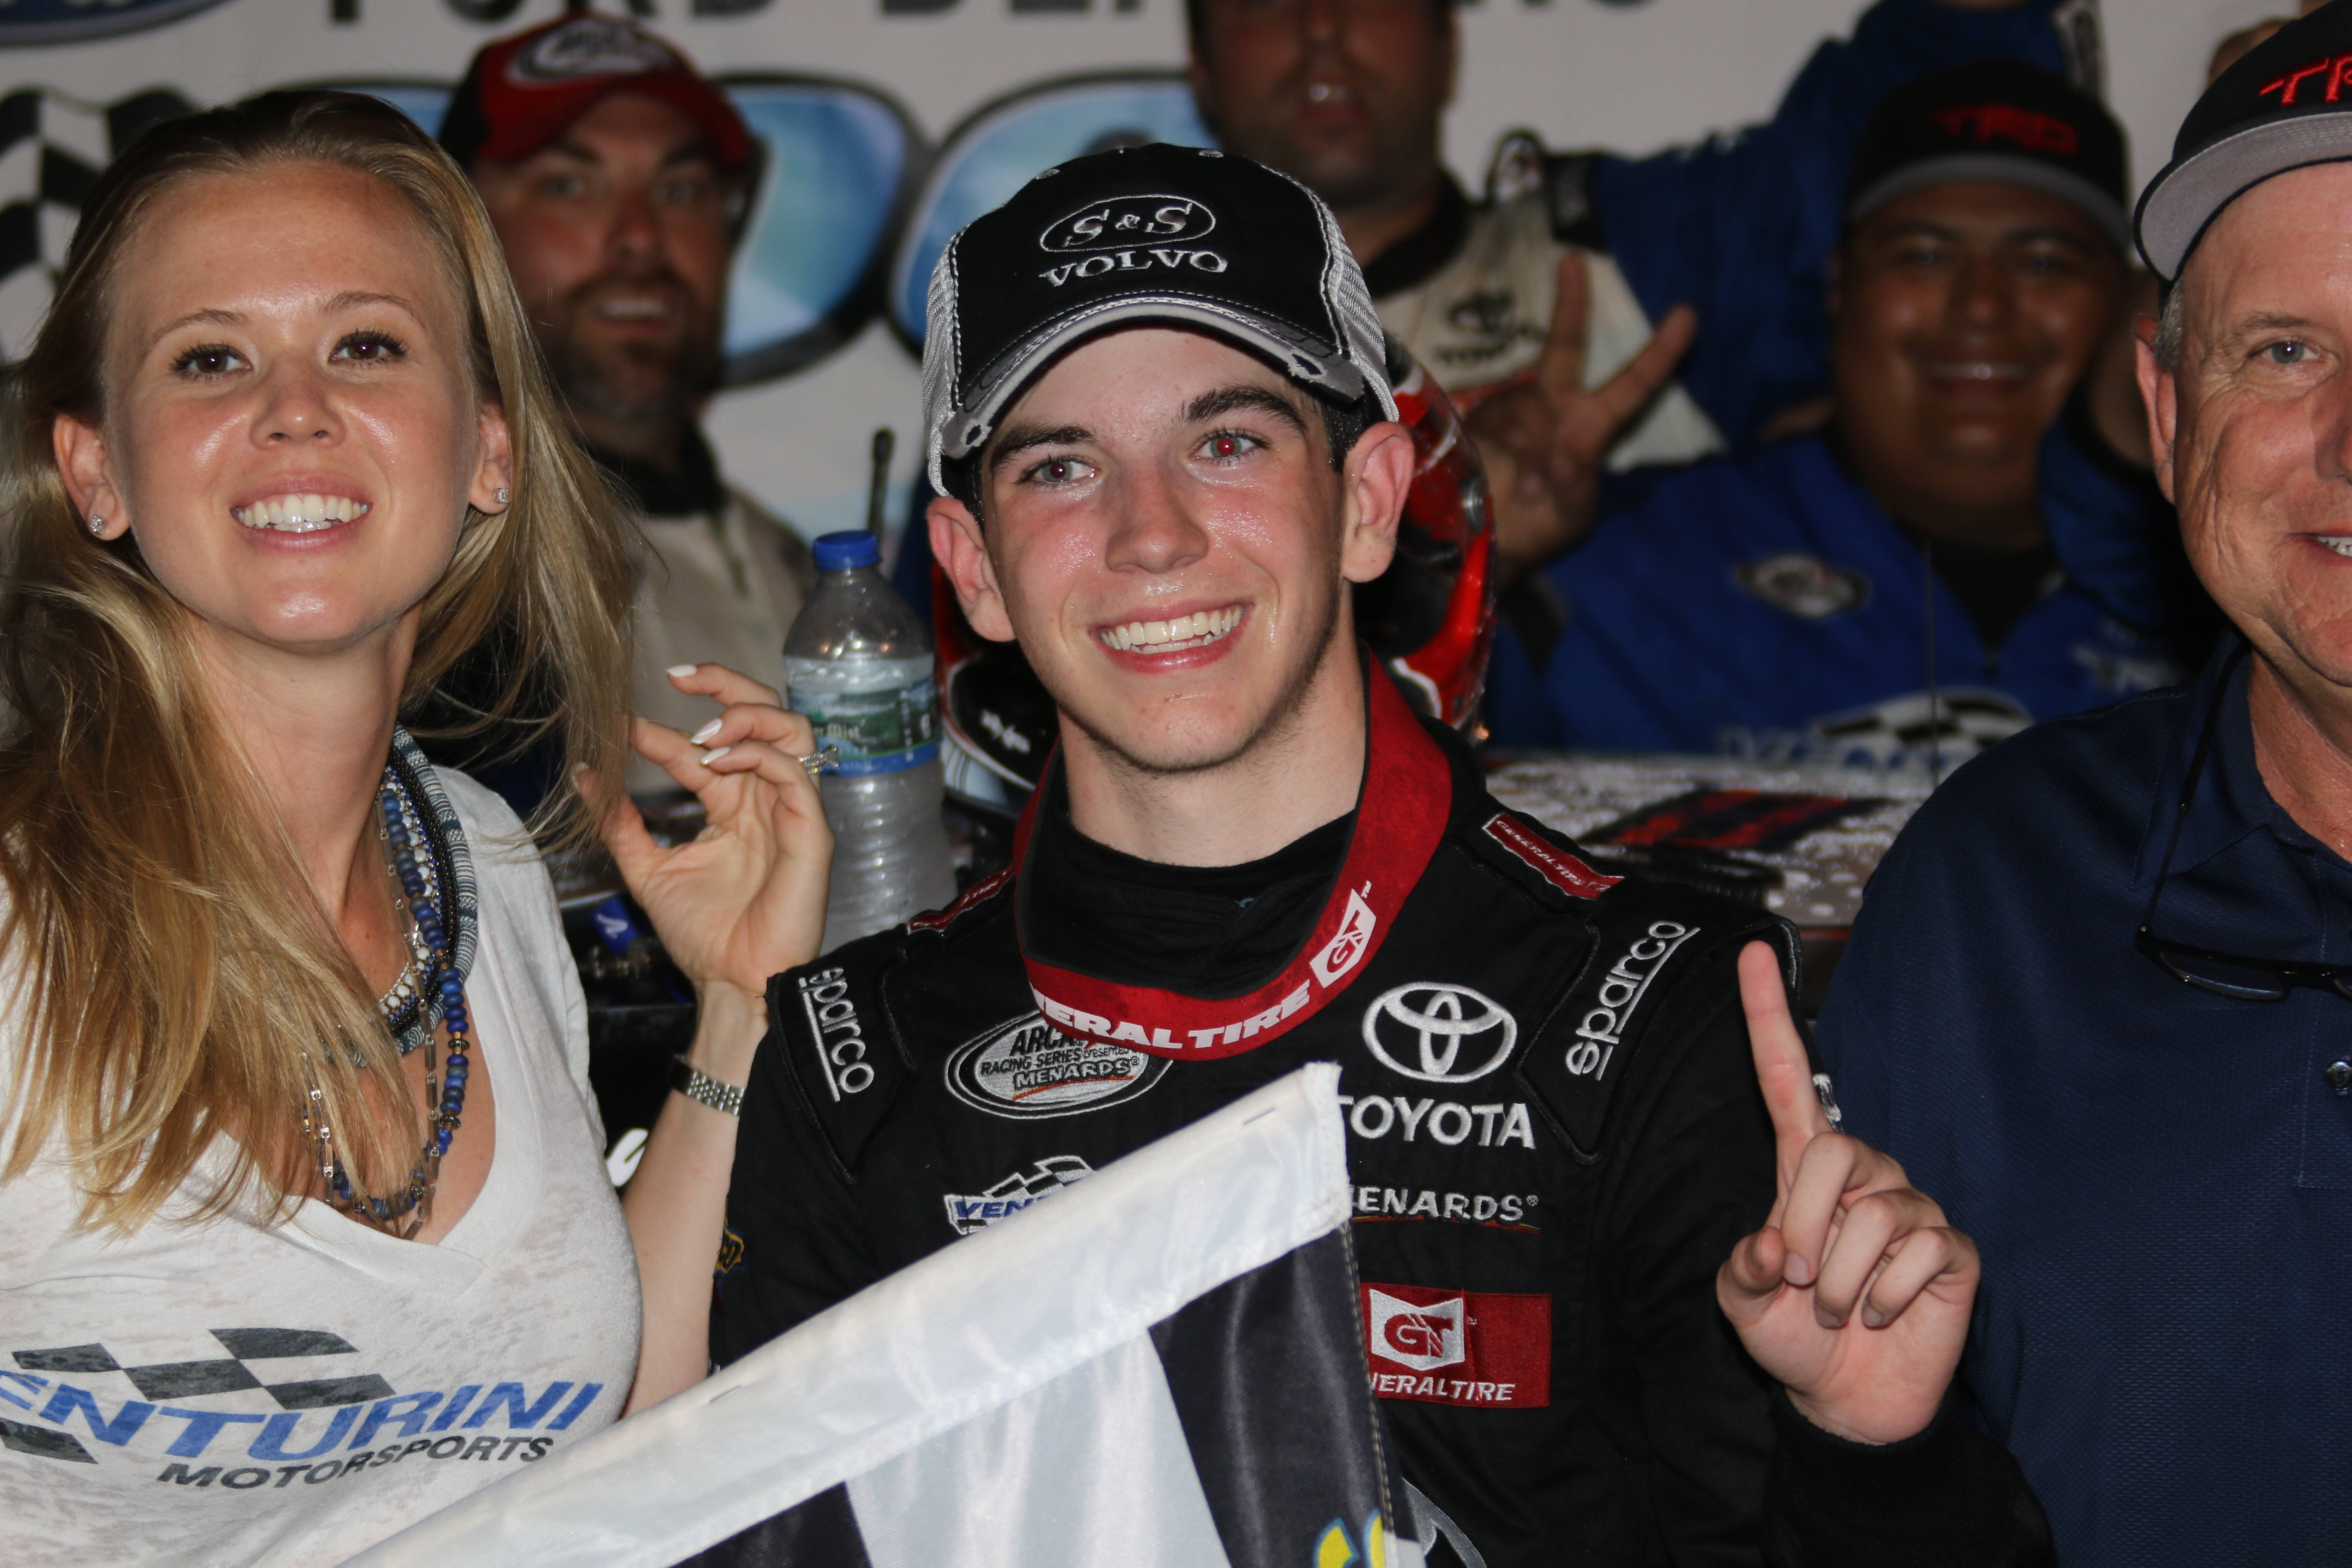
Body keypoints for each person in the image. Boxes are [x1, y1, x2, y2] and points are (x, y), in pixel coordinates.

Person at [699, 144, 2053, 1567]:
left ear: (1366, 500)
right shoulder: (854, 1054)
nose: (1150, 535)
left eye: (1227, 442)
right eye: (1060, 466)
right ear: (973, 566)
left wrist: (1873, 1459)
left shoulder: (1649, 1011)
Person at [0, 91, 829, 1562]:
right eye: (210, 358)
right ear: (97, 472)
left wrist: (740, 1005)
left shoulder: (484, 867)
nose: (295, 408)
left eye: (368, 345)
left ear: (490, 452)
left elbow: (607, 1431)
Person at [1819, 5, 2352, 1561]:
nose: (2349, 438)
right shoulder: (1993, 887)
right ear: (2171, 419)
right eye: (2285, 351)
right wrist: (1851, 1458)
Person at [1184, 0, 2103, 579]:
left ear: (1447, 41)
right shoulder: (1122, 344)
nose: (1322, 25)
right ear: (1200, 78)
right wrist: (1444, 524)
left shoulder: (1624, 246)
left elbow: (1921, 104)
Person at [1485, 61, 2201, 766]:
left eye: (2044, 262)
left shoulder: (2224, 585)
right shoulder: (1612, 558)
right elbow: (1428, 781)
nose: (1981, 305)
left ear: (2130, 304)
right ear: (1839, 286)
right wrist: (1472, 561)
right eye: (1924, 256)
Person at [440, 11, 815, 799]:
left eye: (679, 190)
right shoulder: (436, 588)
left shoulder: (793, 561)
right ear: (460, 236)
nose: (640, 237)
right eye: (568, 186)